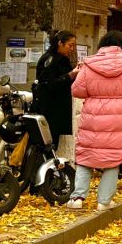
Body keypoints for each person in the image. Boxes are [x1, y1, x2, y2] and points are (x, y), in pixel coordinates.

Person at [69, 31, 122, 211]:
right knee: (113, 160)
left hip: (93, 117)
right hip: (120, 119)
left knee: (86, 157)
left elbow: (77, 91)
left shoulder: (89, 64)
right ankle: (104, 201)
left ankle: (78, 198)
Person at [34, 29, 77, 159]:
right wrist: (70, 75)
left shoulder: (62, 60)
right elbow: (48, 84)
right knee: (47, 146)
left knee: (53, 145)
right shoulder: (50, 60)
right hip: (49, 111)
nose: (72, 49)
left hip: (58, 111)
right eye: (70, 45)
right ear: (60, 43)